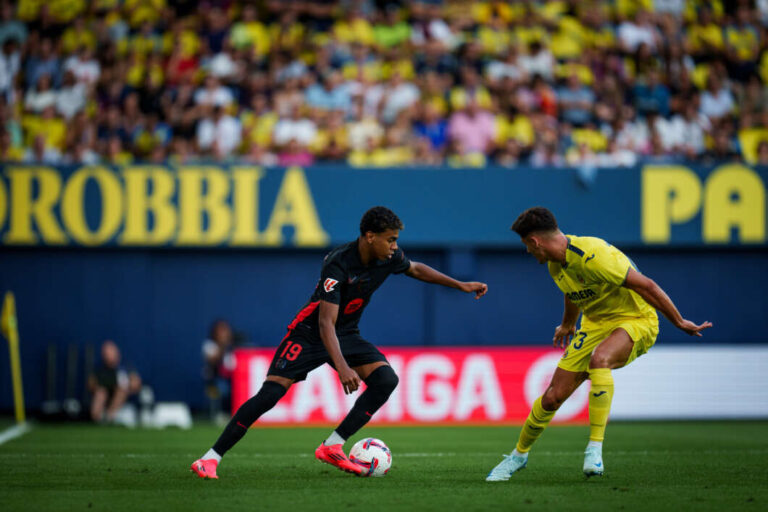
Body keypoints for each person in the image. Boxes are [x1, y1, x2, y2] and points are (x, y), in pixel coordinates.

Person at [191, 206, 488, 479]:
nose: (394, 246)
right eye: (390, 239)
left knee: (386, 380)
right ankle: (209, 459)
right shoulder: (338, 264)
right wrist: (343, 368)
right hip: (308, 334)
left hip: (345, 333)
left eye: (395, 240)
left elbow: (416, 268)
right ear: (370, 236)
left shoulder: (389, 258)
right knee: (270, 394)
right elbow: (325, 323)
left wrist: (459, 284)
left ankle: (332, 446)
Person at [486, 207, 711, 482]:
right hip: (594, 324)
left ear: (535, 241)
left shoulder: (594, 255)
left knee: (600, 359)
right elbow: (573, 293)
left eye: (526, 245)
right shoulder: (555, 264)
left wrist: (679, 321)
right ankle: (518, 456)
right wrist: (568, 324)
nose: (527, 251)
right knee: (553, 397)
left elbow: (647, 286)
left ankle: (594, 449)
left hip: (635, 319)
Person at [89, 340, 142, 423]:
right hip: (104, 394)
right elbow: (91, 383)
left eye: (109, 352)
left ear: (116, 353)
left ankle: (109, 417)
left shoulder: (125, 366)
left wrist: (129, 384)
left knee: (121, 391)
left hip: (121, 394)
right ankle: (96, 418)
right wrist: (98, 386)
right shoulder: (99, 367)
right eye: (105, 353)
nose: (107, 355)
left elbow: (136, 383)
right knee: (101, 393)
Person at [202, 319, 236, 421]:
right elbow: (213, 361)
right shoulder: (209, 345)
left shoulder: (233, 347)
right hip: (215, 379)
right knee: (223, 388)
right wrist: (223, 345)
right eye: (221, 331)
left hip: (232, 379)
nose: (224, 334)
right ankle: (220, 413)